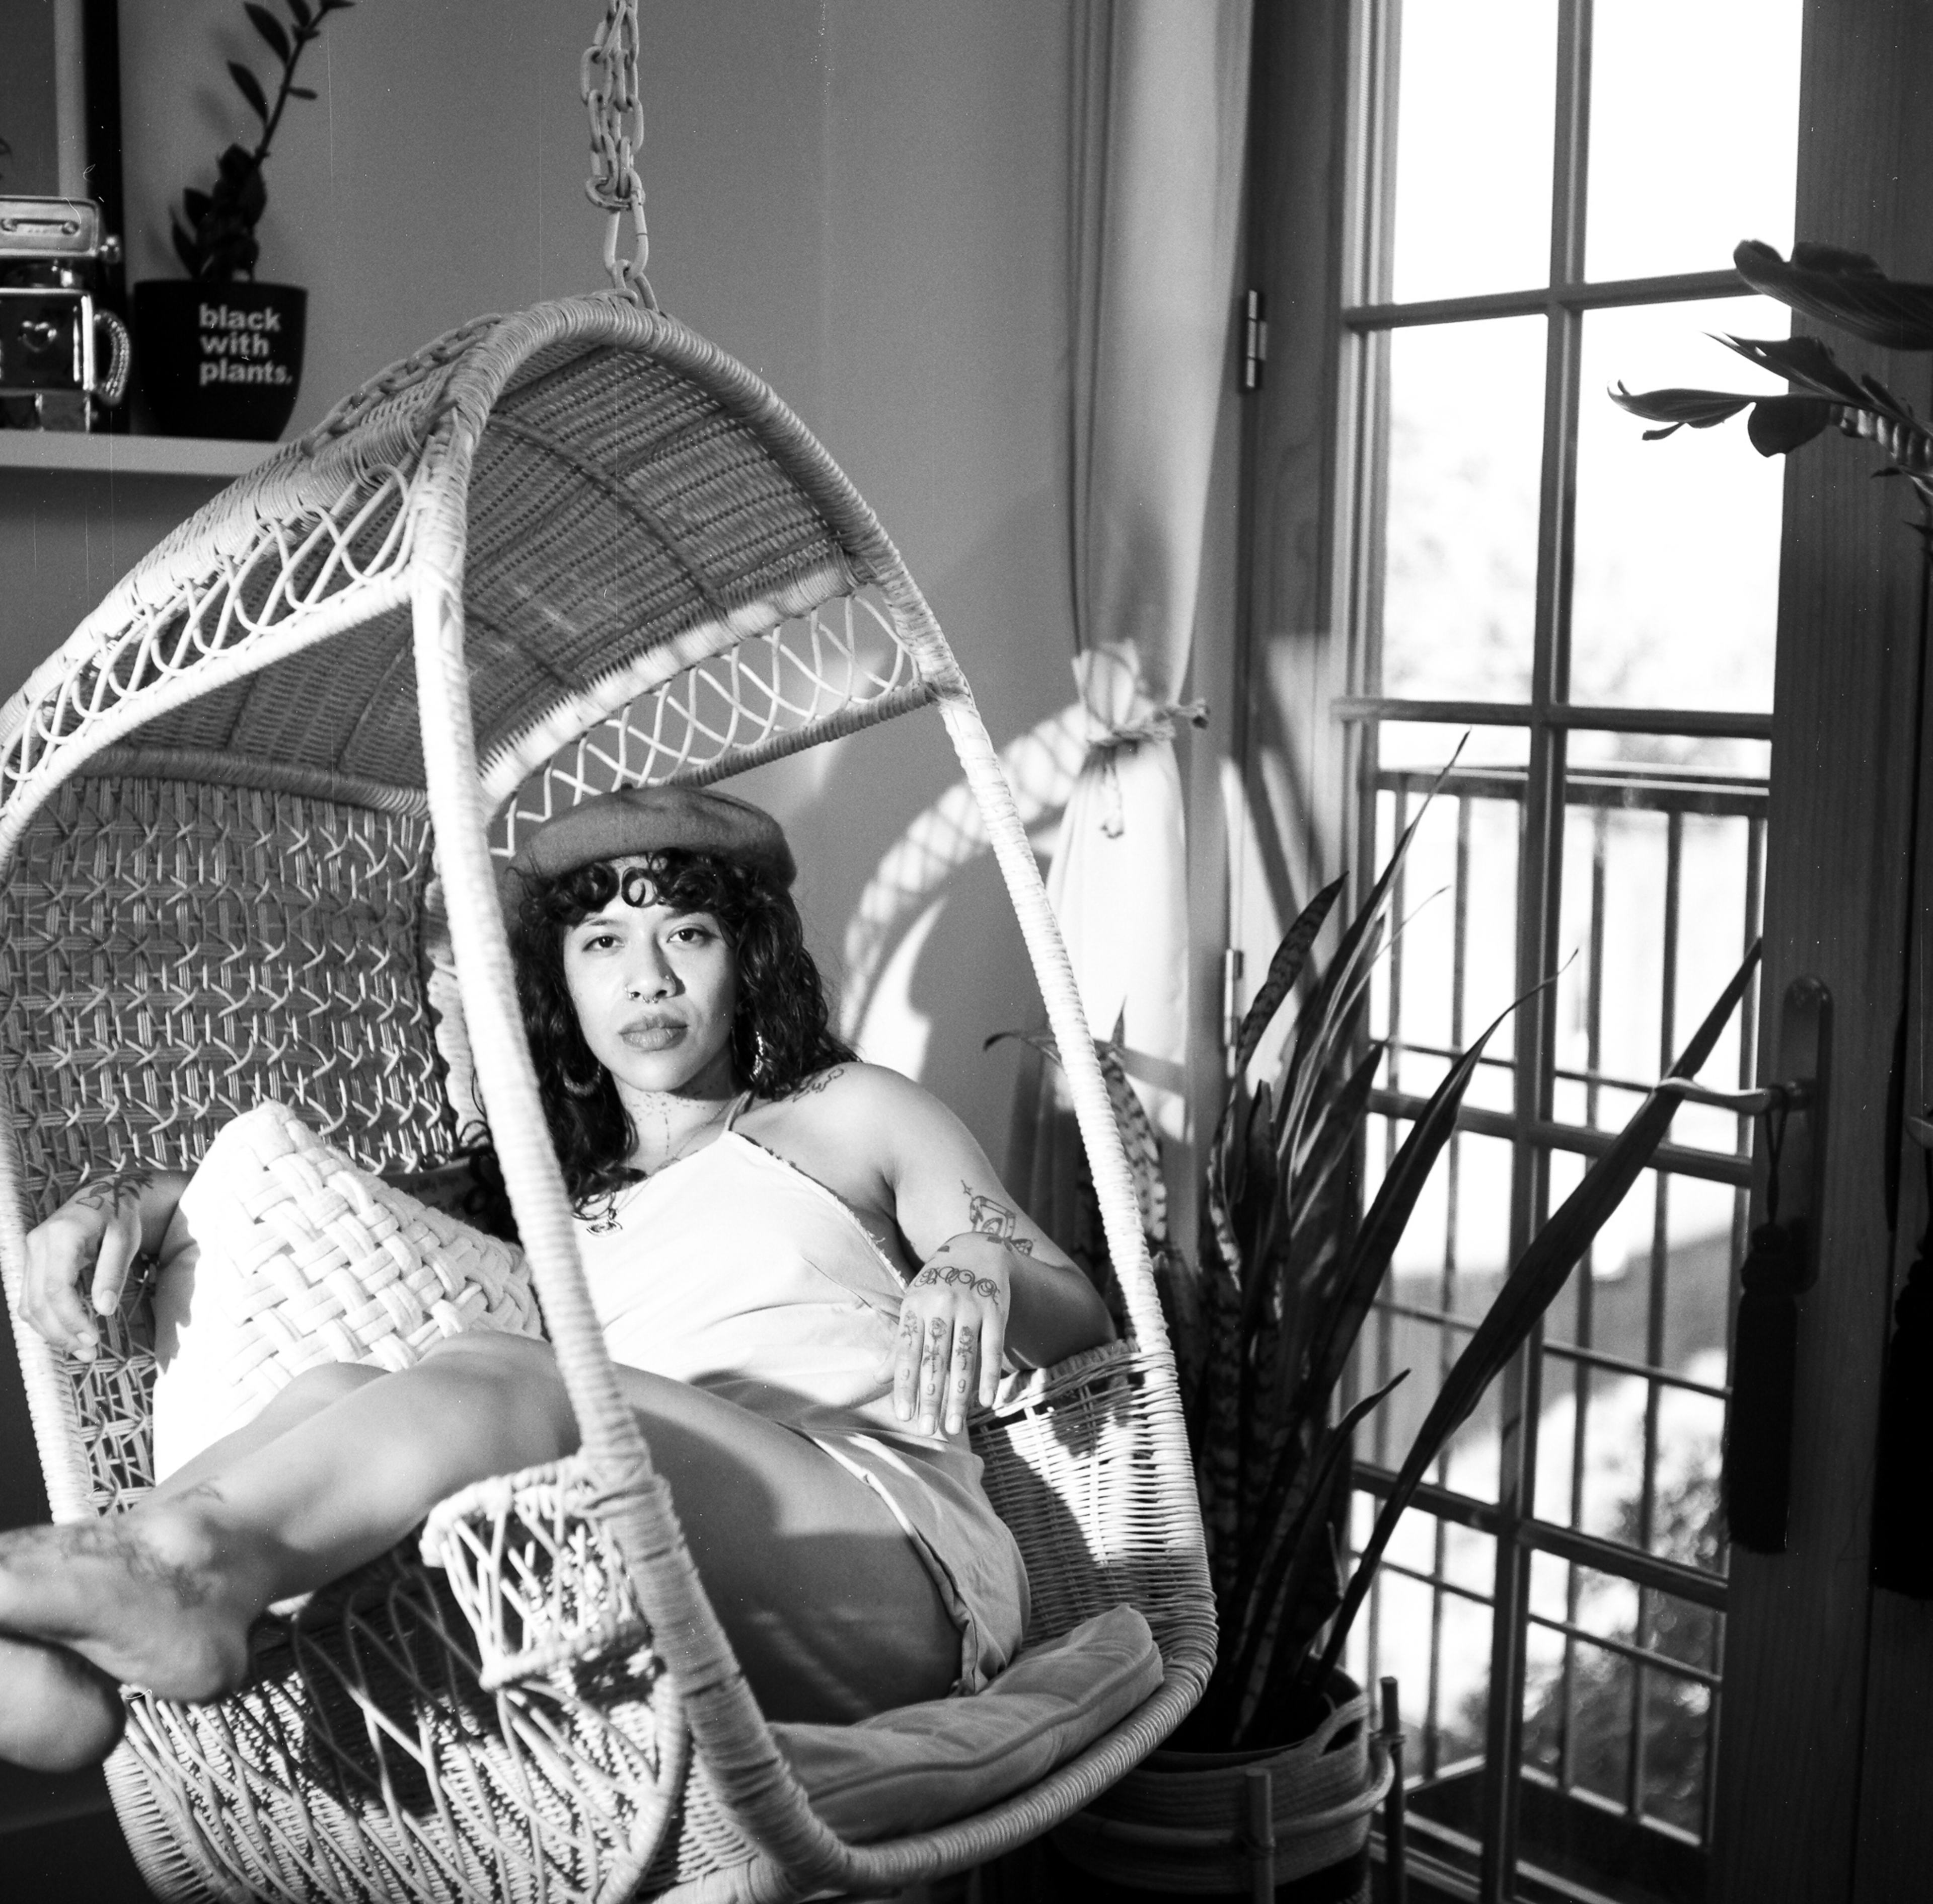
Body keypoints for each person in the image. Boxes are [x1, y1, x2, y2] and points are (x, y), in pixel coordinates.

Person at [0, 786, 1115, 1774]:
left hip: (890, 1564)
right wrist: (119, 1205)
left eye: (688, 929)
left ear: (749, 956)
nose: (649, 977)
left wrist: (978, 1262)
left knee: (521, 1375)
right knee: (339, 1386)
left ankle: (176, 1567)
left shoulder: (845, 1111)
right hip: (647, 1592)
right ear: (560, 982)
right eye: (601, 942)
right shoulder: (537, 1196)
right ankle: (95, 1632)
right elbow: (302, 1202)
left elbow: (1077, 1315)